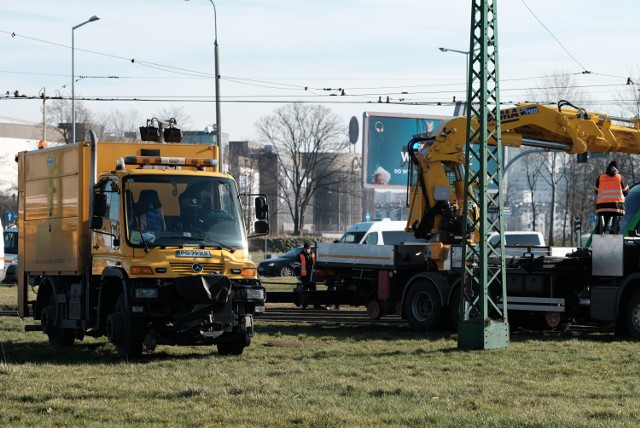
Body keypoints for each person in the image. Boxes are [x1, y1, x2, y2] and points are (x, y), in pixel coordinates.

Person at [595, 160, 629, 234]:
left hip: (602, 207)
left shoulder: (600, 178)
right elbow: (626, 192)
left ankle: (600, 232)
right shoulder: (620, 178)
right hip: (617, 207)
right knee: (616, 222)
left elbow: (596, 191)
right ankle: (614, 233)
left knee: (602, 222)